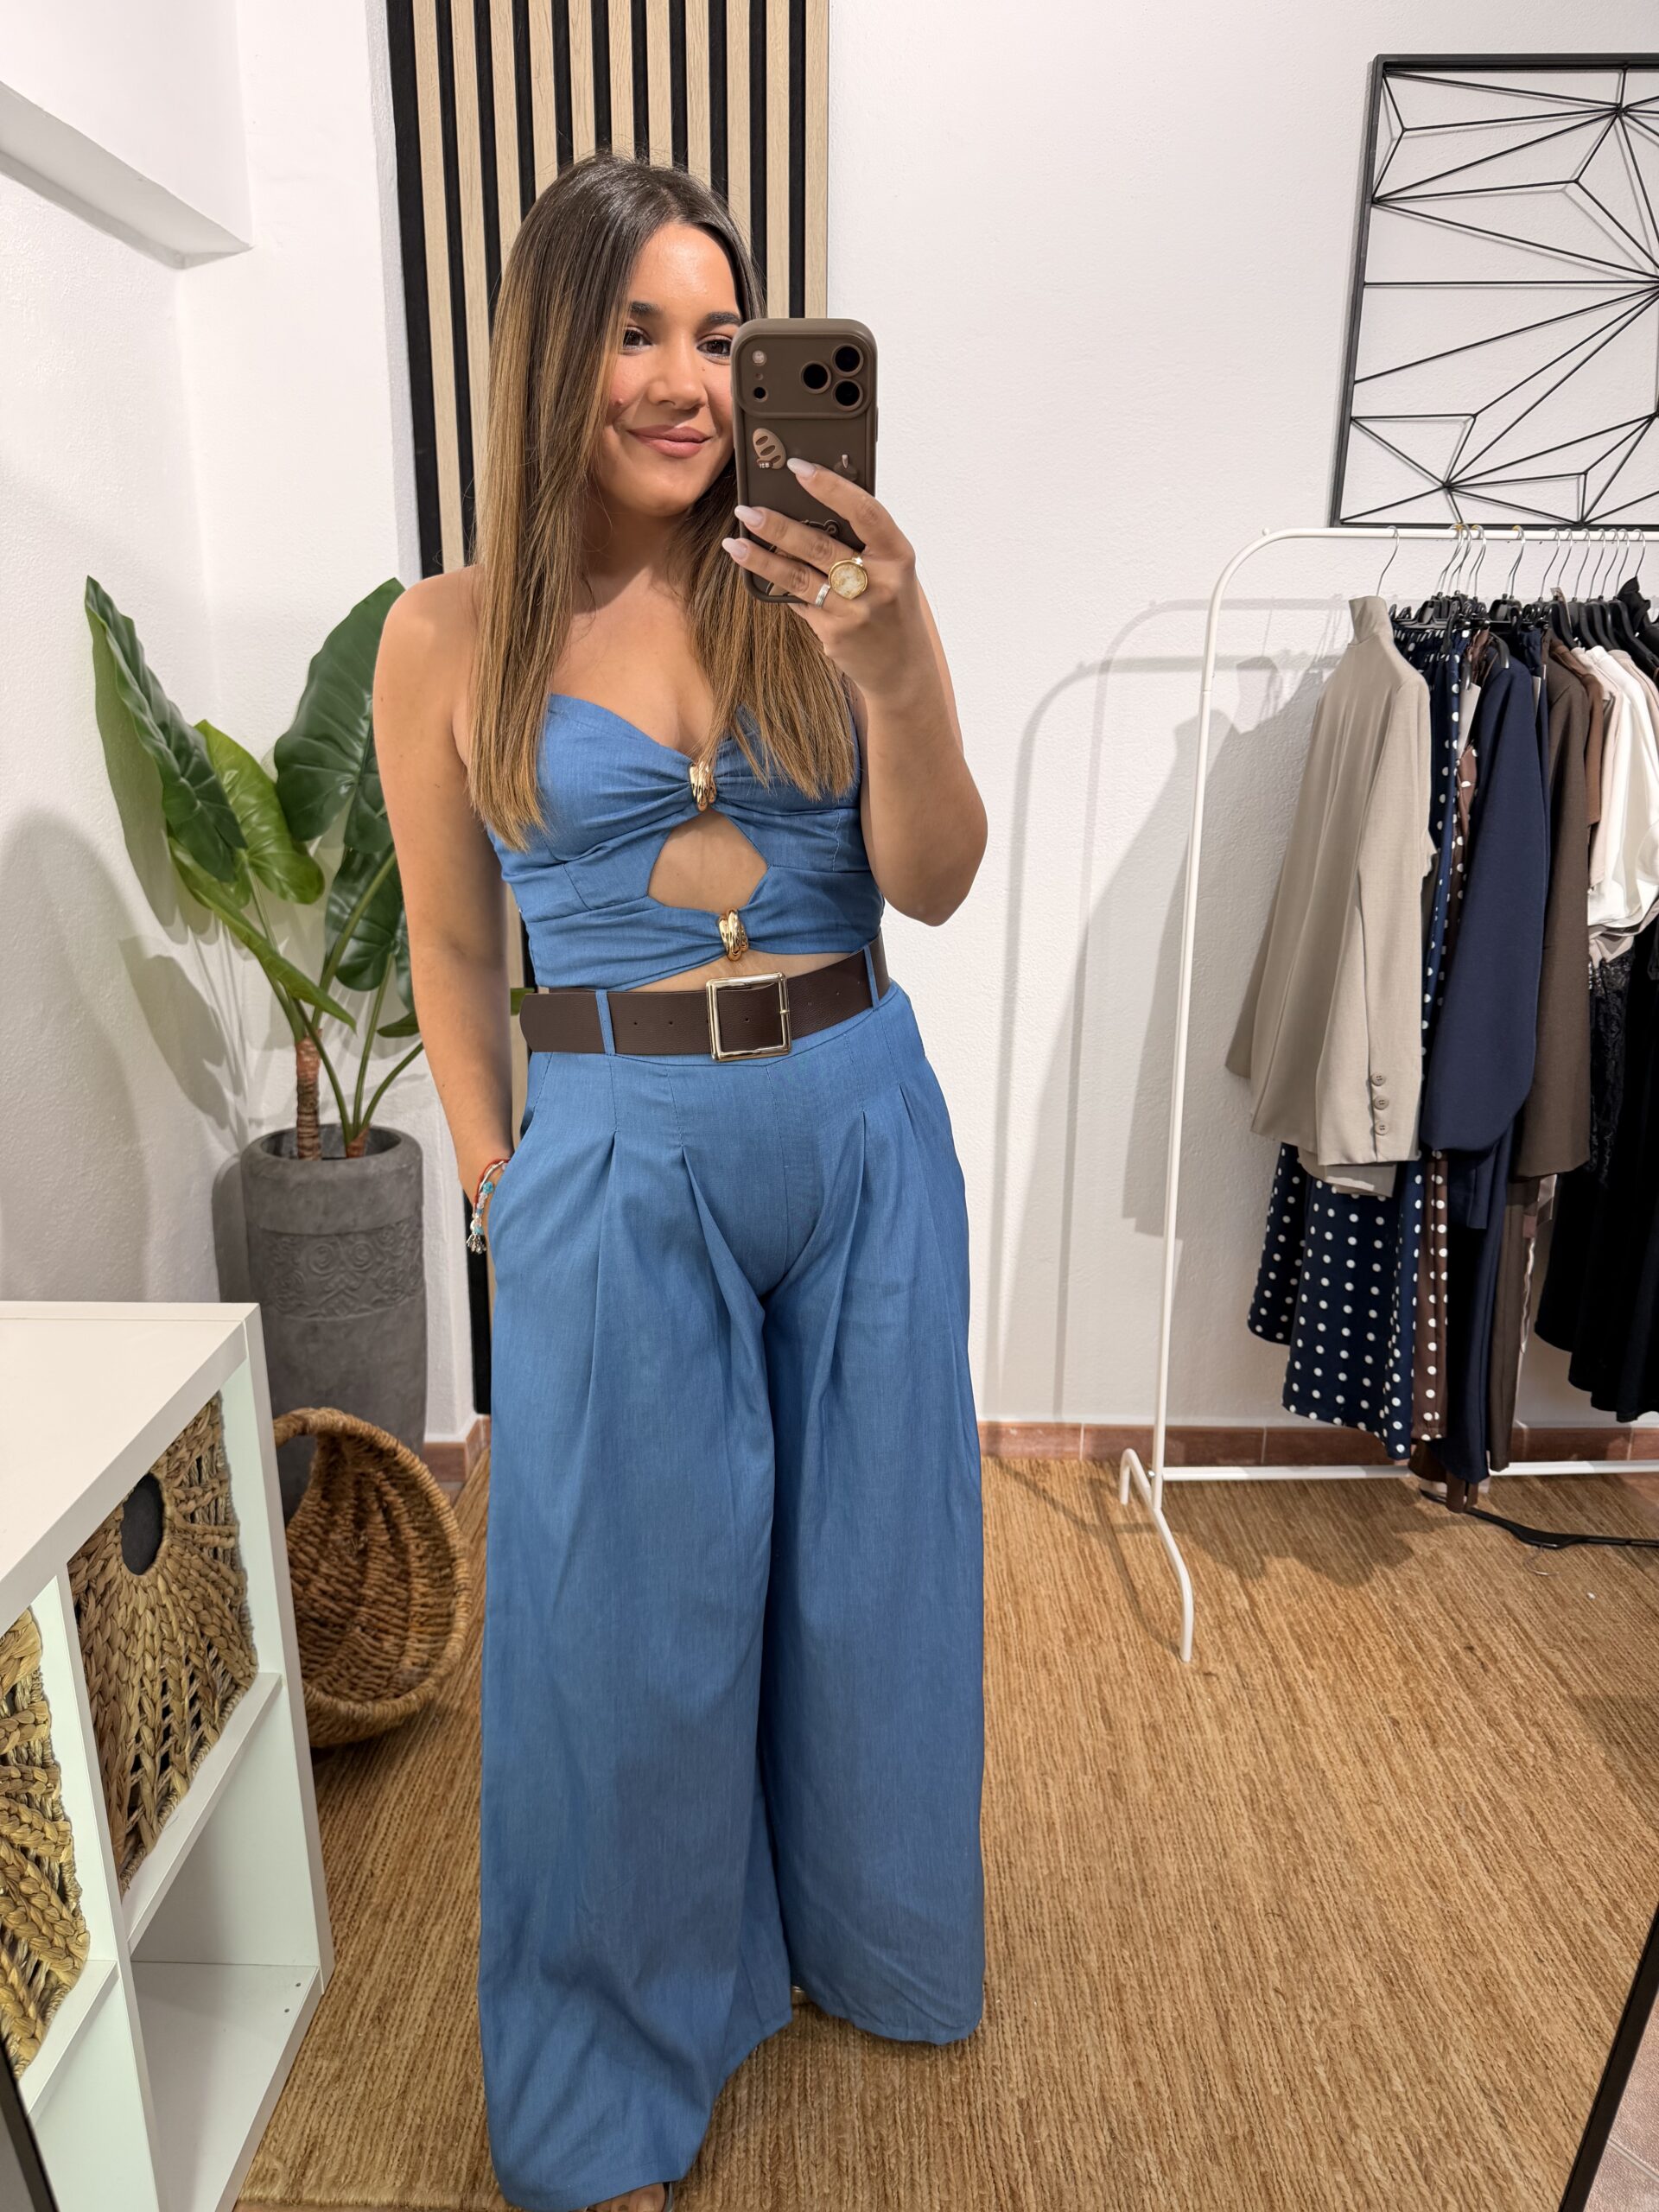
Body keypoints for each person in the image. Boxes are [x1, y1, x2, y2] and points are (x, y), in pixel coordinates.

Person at [374, 150, 988, 2212]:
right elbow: (451, 940)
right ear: (553, 347)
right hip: (616, 1148)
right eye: (634, 330)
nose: (685, 379)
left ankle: (868, 1940)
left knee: (875, 1577)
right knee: (621, 1626)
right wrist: (493, 1175)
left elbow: (935, 879)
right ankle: (610, 2081)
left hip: (860, 1119)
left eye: (720, 335)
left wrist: (895, 659)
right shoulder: (449, 634)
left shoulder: (822, 583)